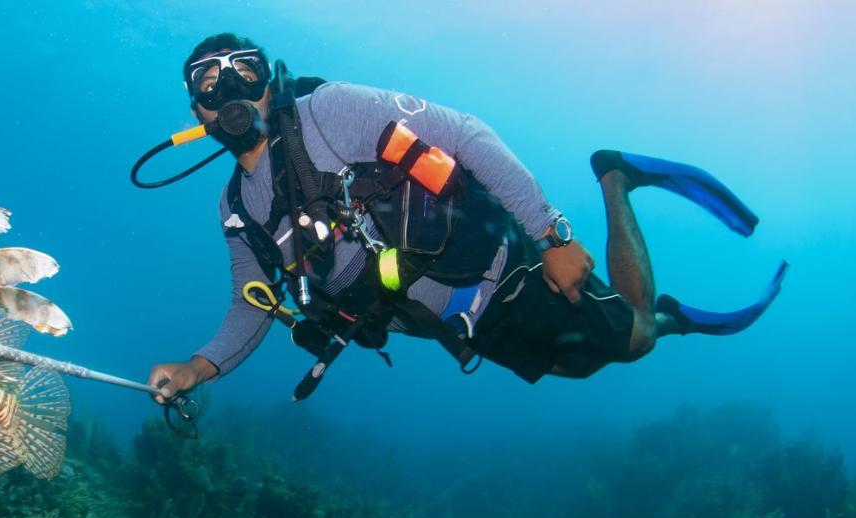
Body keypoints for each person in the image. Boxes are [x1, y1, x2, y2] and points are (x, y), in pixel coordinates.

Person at [147, 33, 785, 403]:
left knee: (632, 341)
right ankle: (665, 311)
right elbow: (250, 301)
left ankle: (616, 178)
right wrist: (197, 367)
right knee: (575, 365)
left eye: (245, 73)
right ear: (197, 112)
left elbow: (465, 134)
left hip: (507, 272)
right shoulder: (235, 205)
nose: (229, 94)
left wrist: (552, 233)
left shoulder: (327, 111)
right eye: (209, 84)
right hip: (460, 325)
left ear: (268, 83)